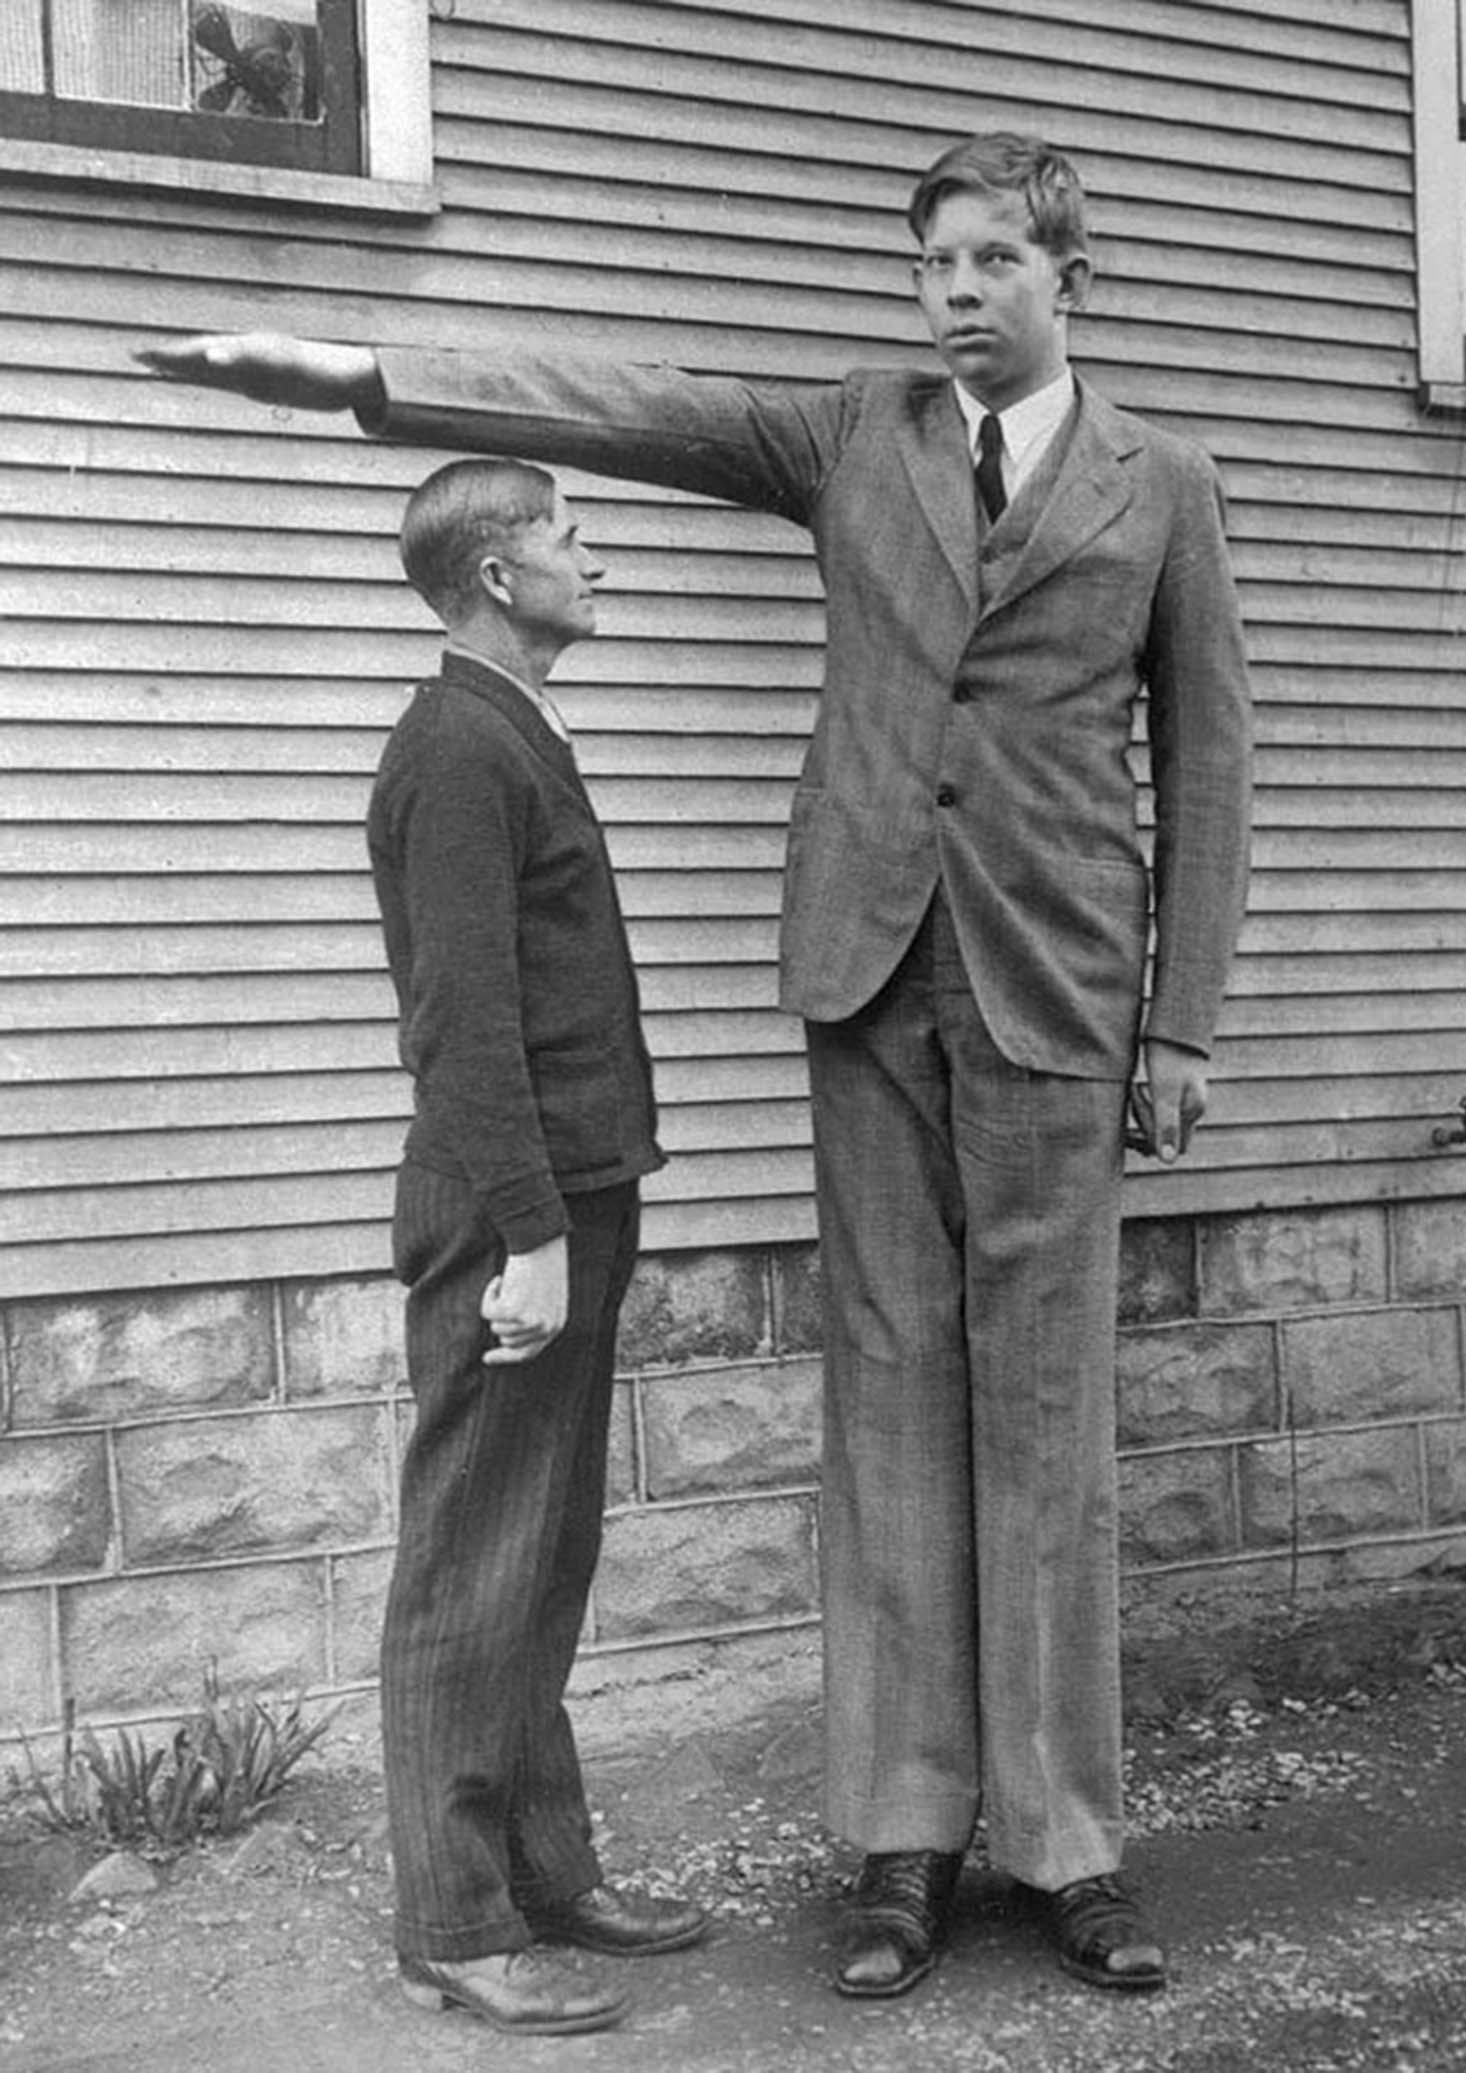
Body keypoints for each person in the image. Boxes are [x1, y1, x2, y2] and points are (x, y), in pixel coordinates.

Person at [139, 129, 1252, 2001]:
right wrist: (368, 378)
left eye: (989, 262)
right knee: (885, 1400)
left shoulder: (1168, 488)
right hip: (870, 970)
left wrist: (1187, 1019)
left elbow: (1212, 760)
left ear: (1071, 271)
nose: (954, 294)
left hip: (1063, 987)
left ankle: (1068, 1842)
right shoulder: (851, 438)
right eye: (932, 267)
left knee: (1048, 1416)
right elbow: (634, 403)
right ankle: (901, 1839)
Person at [359, 457, 706, 2035]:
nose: (597, 554)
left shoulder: (515, 731)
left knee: (543, 1552)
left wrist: (567, 1212)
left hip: (569, 1191)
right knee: (469, 1565)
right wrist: (528, 1234)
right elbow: (464, 1030)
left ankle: (545, 1871)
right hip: (516, 1209)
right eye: (570, 536)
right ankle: (453, 1919)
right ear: (498, 575)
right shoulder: (456, 750)